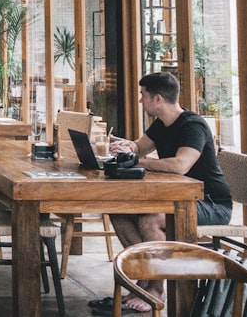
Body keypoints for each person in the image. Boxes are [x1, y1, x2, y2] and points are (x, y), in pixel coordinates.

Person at [91, 71, 232, 316]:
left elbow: (180, 165)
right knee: (119, 210)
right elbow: (139, 147)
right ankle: (143, 280)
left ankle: (156, 289)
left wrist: (139, 162)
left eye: (142, 95)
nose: (140, 100)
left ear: (157, 99)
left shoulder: (193, 125)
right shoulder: (161, 124)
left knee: (150, 218)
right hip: (178, 198)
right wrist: (127, 147)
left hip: (210, 203)